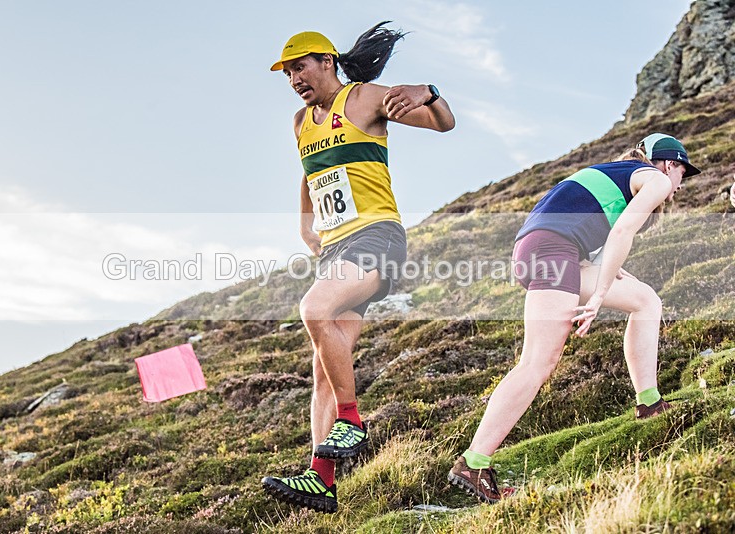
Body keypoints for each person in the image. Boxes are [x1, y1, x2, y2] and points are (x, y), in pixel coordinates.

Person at [261, 22, 455, 513]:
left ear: (327, 62)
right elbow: (311, 173)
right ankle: (320, 478)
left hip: (376, 236)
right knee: (324, 369)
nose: (294, 80)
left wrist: (429, 92)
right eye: (287, 74)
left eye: (300, 68)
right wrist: (305, 226)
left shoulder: (364, 98)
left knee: (314, 309)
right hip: (335, 249)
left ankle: (351, 419)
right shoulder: (301, 122)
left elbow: (444, 124)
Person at [448, 133, 702, 504]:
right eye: (683, 173)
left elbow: (582, 222)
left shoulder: (618, 172)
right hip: (554, 250)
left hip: (540, 248)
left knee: (646, 300)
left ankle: (649, 402)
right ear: (669, 164)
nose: (680, 184)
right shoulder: (656, 179)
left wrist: (601, 270)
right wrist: (598, 293)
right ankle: (473, 463)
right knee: (537, 362)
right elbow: (623, 230)